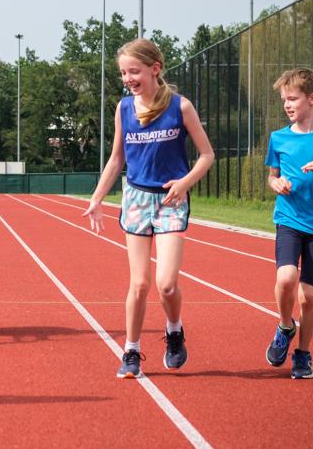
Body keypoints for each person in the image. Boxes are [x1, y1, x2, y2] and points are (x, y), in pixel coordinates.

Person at [82, 38, 214, 378]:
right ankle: (132, 350)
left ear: (155, 68)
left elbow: (207, 155)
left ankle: (174, 330)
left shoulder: (180, 107)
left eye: (134, 71)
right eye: (124, 73)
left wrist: (185, 183)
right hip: (137, 199)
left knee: (166, 284)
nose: (128, 78)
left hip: (171, 200)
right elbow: (116, 159)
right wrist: (96, 198)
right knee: (139, 284)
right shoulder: (124, 109)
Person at [264, 68, 313, 379]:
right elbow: (271, 175)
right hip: (289, 219)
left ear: (312, 99)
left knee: (309, 296)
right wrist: (275, 184)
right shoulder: (278, 138)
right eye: (284, 100)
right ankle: (284, 325)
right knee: (285, 279)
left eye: (292, 99)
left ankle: (303, 354)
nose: (287, 105)